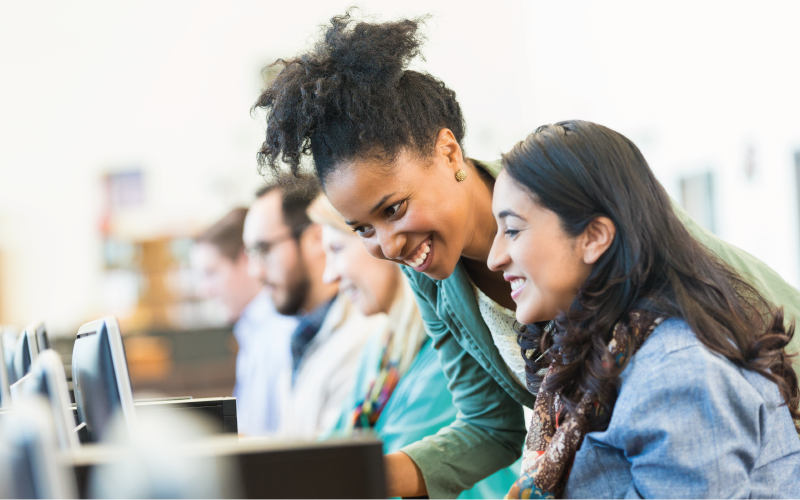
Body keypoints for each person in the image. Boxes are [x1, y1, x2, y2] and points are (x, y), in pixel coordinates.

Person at [252, 12, 800, 498]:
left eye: (393, 209)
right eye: (361, 230)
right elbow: (493, 428)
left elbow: (705, 363)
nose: (387, 247)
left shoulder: (582, 207)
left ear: (448, 152)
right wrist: (350, 477)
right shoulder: (435, 276)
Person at [490, 120, 800, 498]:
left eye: (512, 230)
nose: (494, 258)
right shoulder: (605, 351)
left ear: (594, 237)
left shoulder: (676, 373)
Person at [308, 194, 519, 499]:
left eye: (337, 249)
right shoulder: (380, 350)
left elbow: (381, 482)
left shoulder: (445, 354)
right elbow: (333, 451)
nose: (330, 274)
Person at [242, 175, 378, 439]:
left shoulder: (363, 334)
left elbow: (334, 459)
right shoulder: (303, 333)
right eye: (250, 253)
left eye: (264, 249)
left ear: (315, 238)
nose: (255, 271)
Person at [191, 208, 297, 436]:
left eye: (211, 273)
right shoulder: (252, 331)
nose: (203, 290)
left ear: (245, 260)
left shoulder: (280, 332)